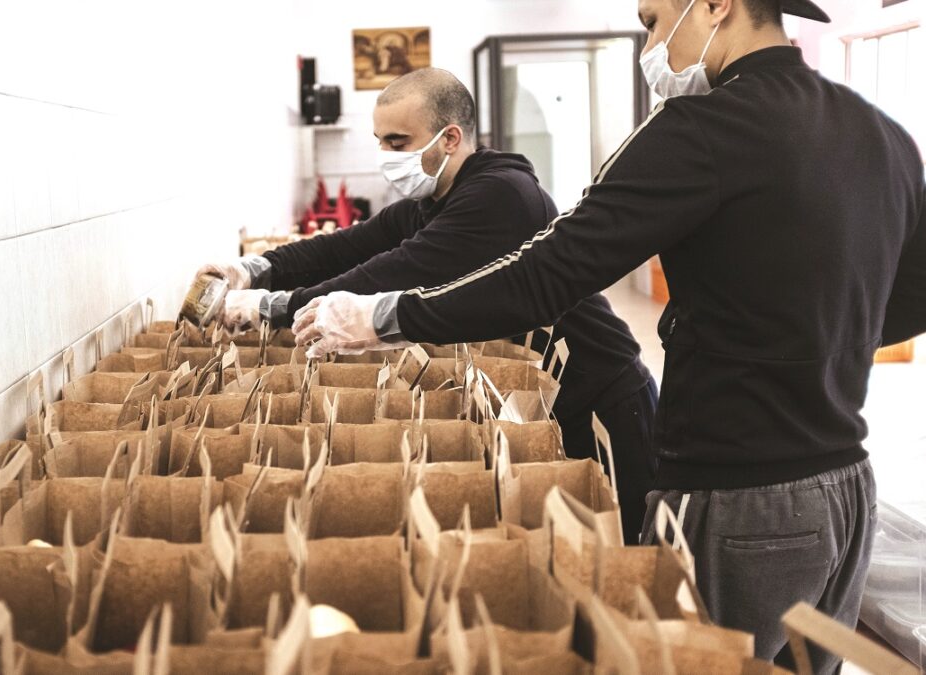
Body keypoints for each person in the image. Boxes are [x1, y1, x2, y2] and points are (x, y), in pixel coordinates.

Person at [292, 1, 926, 671]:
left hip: (740, 501)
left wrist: (382, 317)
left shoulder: (699, 130)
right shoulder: (879, 131)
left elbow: (548, 272)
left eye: (653, 20)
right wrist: (819, 334)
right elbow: (914, 291)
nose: (649, 44)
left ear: (715, 6)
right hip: (849, 491)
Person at [196, 68, 660, 543]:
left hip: (606, 397)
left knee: (625, 547)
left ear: (449, 138)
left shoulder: (499, 196)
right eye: (379, 142)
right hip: (550, 396)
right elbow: (346, 247)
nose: (385, 157)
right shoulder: (437, 197)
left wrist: (270, 308)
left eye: (398, 142)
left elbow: (388, 274)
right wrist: (256, 269)